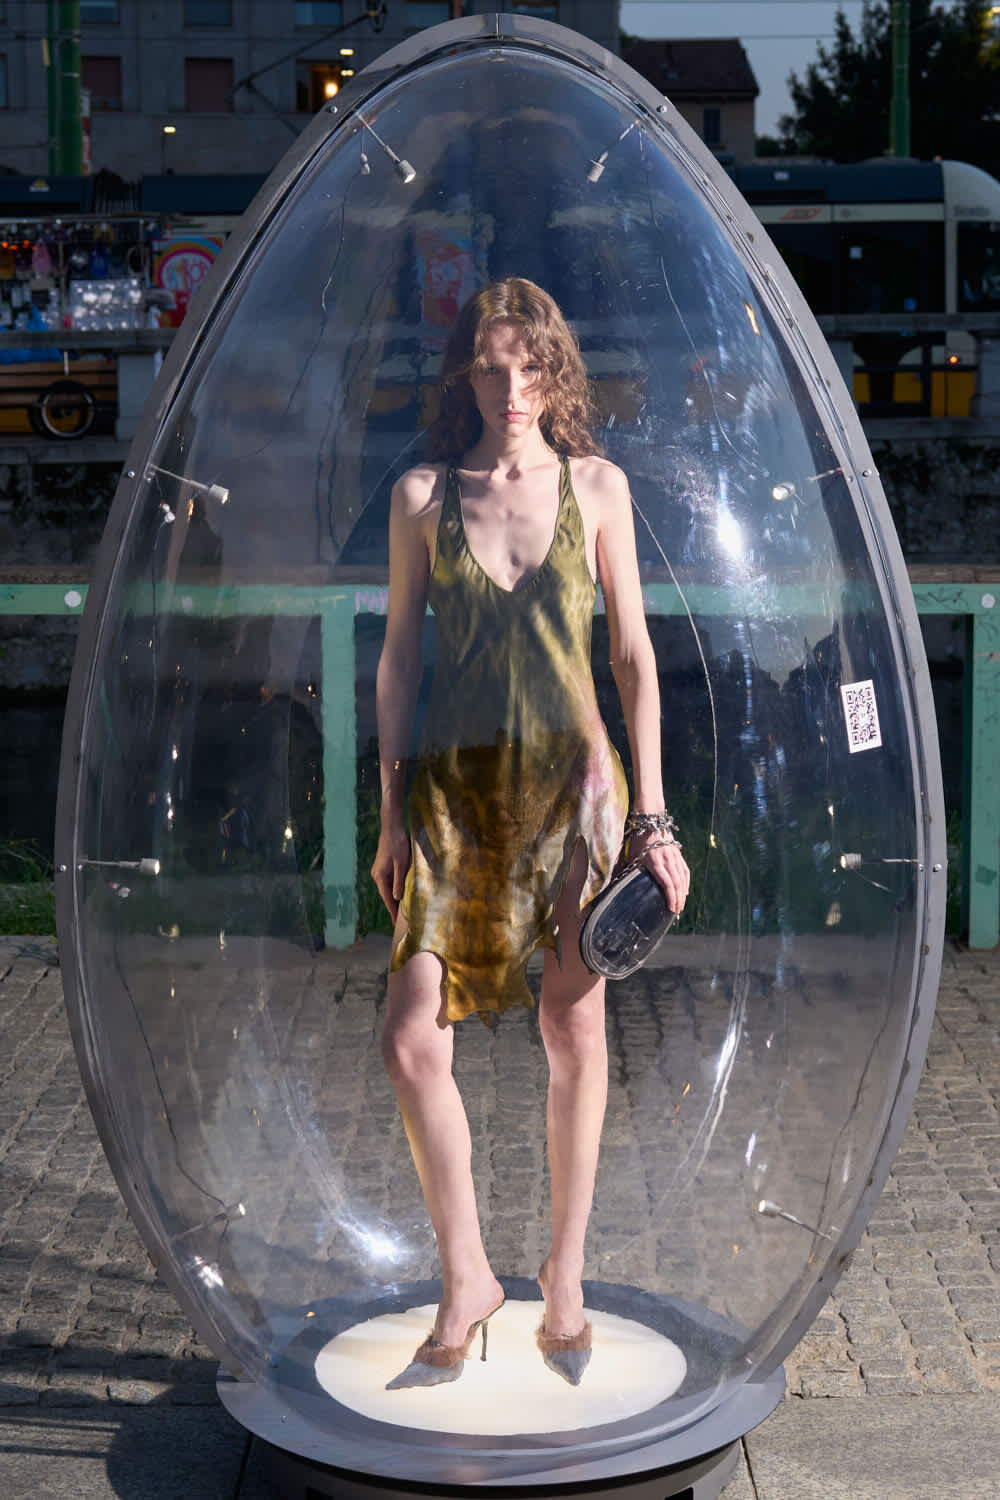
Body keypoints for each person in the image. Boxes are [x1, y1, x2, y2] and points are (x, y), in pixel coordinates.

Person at [371, 277, 689, 1389]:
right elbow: (400, 658)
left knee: (575, 1032)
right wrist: (388, 810)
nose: (510, 388)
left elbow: (635, 659)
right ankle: (467, 1276)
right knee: (413, 1038)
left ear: (554, 373)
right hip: (452, 799)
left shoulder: (596, 486)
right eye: (491, 367)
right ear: (466, 374)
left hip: (575, 791)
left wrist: (652, 821)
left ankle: (564, 1274)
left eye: (529, 366)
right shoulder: (421, 494)